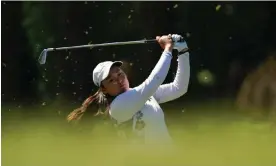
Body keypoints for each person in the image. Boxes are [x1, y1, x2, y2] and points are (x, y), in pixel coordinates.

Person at [67, 34, 190, 145]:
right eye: (111, 80)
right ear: (104, 89)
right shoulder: (117, 107)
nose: (119, 80)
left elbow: (179, 88)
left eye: (119, 74)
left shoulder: (140, 94)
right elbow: (154, 81)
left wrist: (183, 51)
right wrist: (168, 48)